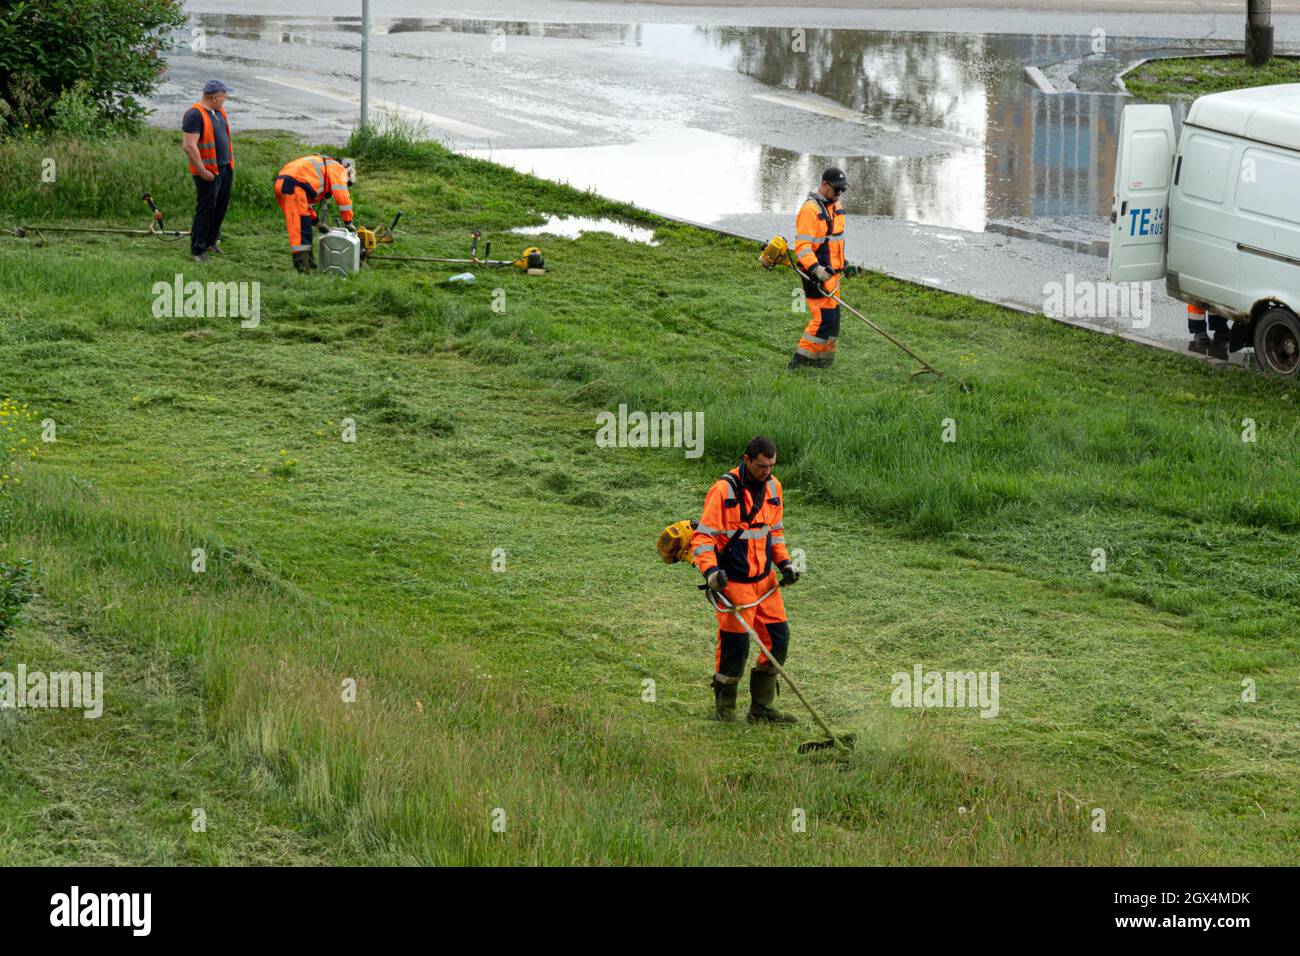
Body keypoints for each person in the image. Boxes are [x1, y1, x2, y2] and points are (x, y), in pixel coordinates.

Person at [689, 436, 801, 723]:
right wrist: (712, 572)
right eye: (762, 466)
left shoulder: (775, 487)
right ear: (747, 459)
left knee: (779, 641)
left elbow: (774, 532)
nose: (767, 472)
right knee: (735, 648)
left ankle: (761, 709)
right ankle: (725, 711)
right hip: (734, 585)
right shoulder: (723, 490)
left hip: (765, 584)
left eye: (772, 466)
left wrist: (785, 563)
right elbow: (703, 538)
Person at [790, 167, 848, 369]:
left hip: (833, 275)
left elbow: (835, 242)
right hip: (816, 275)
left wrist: (845, 265)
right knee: (822, 320)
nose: (839, 194)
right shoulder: (810, 210)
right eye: (836, 189)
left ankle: (823, 362)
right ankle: (799, 362)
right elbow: (803, 246)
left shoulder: (835, 206)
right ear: (824, 185)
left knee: (833, 323)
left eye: (842, 190)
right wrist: (816, 269)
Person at [273, 154, 356, 273]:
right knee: (301, 230)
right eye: (347, 183)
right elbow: (343, 198)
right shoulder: (339, 169)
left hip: (283, 183)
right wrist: (348, 222)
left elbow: (304, 207)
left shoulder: (325, 166)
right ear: (348, 173)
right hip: (294, 185)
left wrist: (317, 223)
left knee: (303, 224)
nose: (345, 185)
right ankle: (303, 268)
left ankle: (309, 263)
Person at [181, 80, 235, 264]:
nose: (225, 100)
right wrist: (202, 170)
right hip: (208, 171)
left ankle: (212, 241)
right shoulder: (194, 115)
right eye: (224, 97)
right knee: (205, 209)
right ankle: (198, 249)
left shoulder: (219, 112)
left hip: (225, 168)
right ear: (214, 97)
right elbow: (189, 146)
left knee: (220, 207)